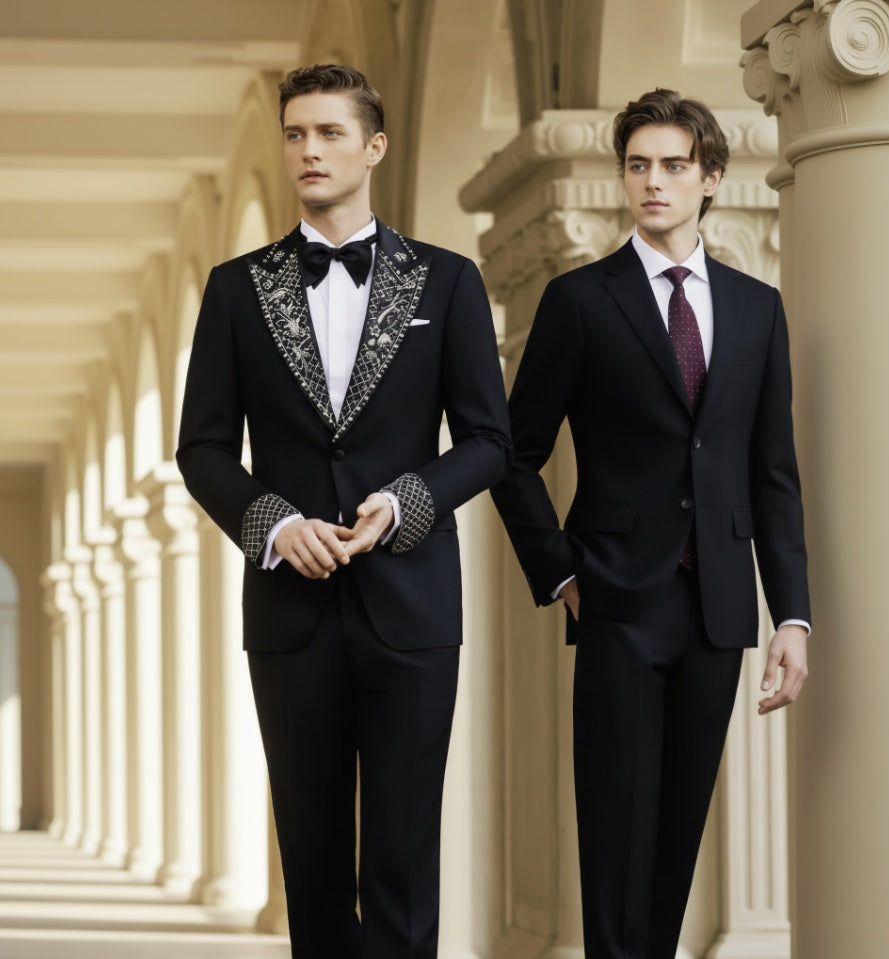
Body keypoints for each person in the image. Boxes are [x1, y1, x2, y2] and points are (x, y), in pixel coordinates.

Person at [176, 64, 510, 959]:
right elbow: (202, 449)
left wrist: (405, 502)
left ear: (375, 147)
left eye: (329, 133)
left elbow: (489, 439)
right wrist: (277, 525)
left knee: (403, 859)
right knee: (314, 865)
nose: (309, 151)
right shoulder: (235, 288)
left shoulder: (446, 281)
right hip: (291, 614)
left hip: (413, 605)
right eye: (295, 134)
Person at [491, 88, 811, 959]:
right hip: (617, 602)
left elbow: (773, 475)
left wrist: (791, 614)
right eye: (638, 166)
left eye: (673, 165)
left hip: (717, 607)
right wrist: (562, 573)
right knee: (616, 840)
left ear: (711, 178)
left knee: (676, 845)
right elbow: (512, 453)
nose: (653, 182)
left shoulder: (756, 309)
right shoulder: (579, 301)